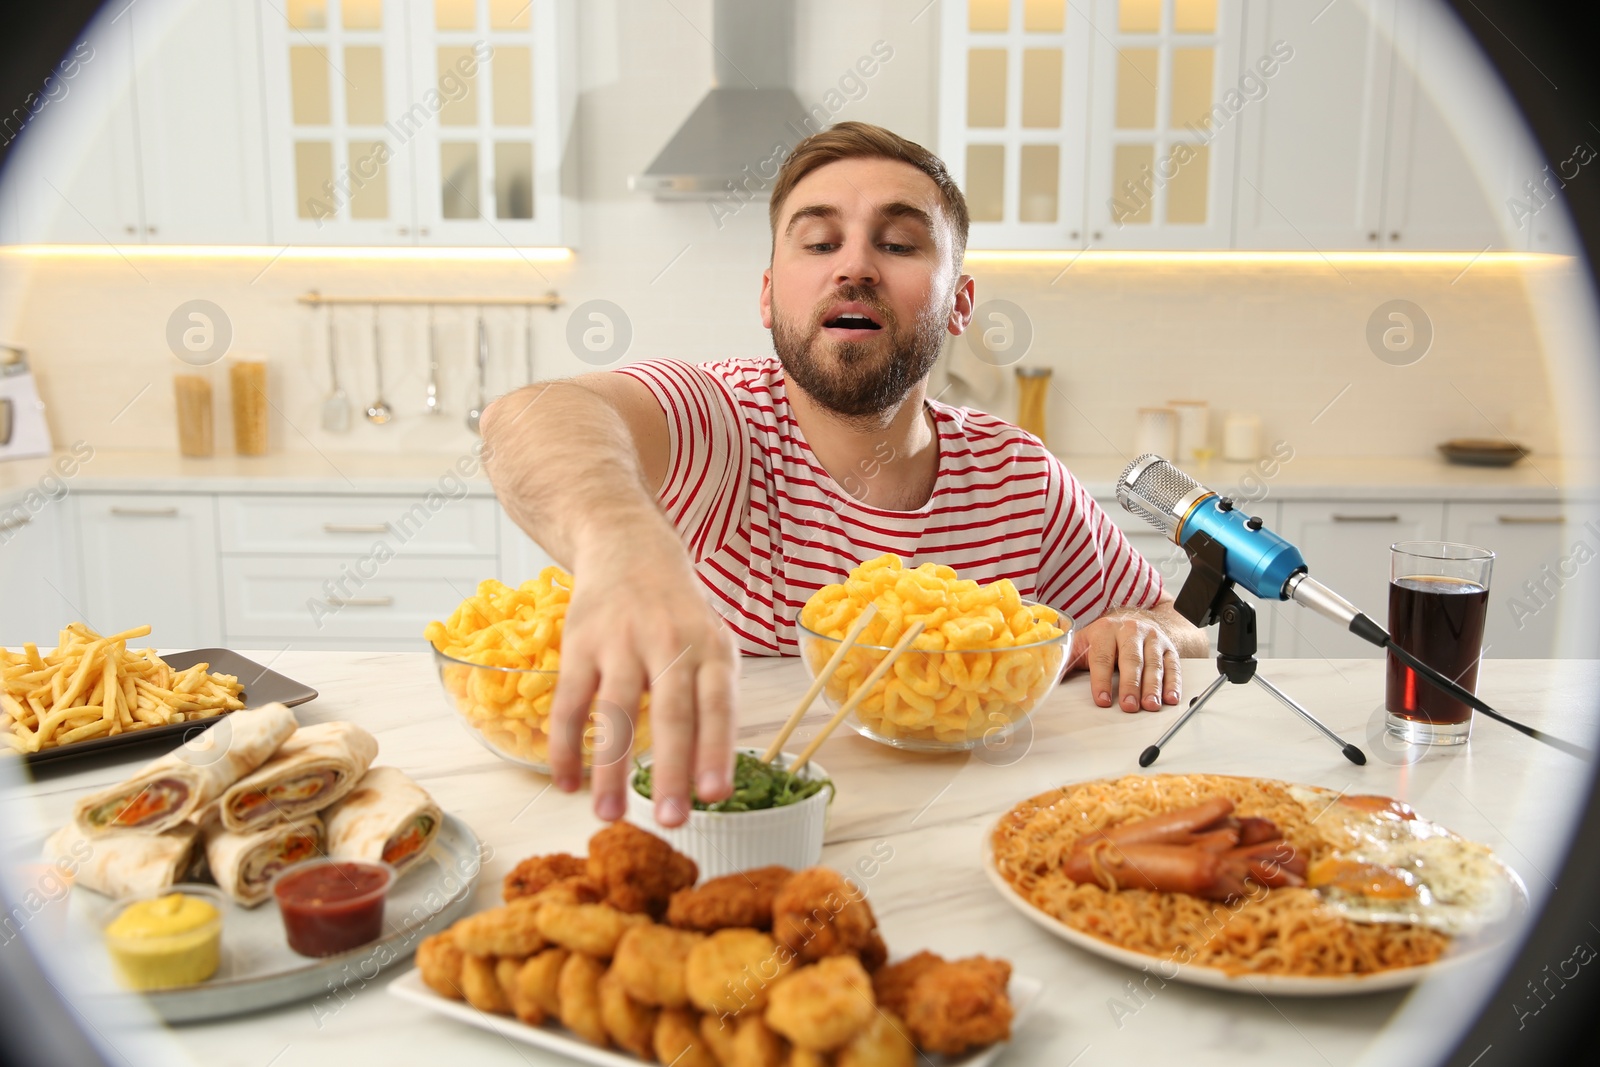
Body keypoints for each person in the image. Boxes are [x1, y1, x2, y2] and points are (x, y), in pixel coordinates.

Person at [482, 122, 1208, 828]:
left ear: (959, 303)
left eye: (896, 244)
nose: (854, 266)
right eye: (821, 242)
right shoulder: (719, 426)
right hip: (719, 830)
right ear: (768, 295)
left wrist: (1140, 630)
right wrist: (625, 549)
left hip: (964, 845)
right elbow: (530, 418)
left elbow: (1179, 623)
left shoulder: (1019, 478)